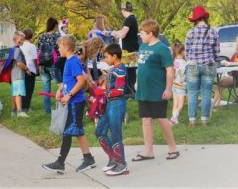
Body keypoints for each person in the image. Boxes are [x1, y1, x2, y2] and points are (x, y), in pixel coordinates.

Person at [42, 35, 96, 174]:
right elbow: (70, 81)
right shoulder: (69, 61)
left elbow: (81, 80)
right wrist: (61, 90)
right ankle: (88, 158)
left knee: (69, 132)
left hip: (75, 102)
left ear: (66, 47)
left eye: (59, 47)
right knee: (77, 131)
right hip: (73, 102)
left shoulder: (73, 62)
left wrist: (70, 95)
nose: (58, 49)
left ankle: (60, 163)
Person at [132, 19, 179, 162]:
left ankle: (173, 148)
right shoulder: (143, 47)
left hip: (157, 90)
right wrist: (136, 82)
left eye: (142, 33)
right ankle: (148, 151)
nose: (140, 36)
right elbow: (140, 67)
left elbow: (170, 71)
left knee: (161, 118)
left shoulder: (162, 49)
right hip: (143, 90)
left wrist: (168, 89)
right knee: (146, 119)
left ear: (150, 33)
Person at [94, 43, 128, 176]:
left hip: (117, 104)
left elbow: (119, 90)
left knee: (115, 133)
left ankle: (122, 164)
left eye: (106, 57)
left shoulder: (120, 69)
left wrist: (103, 93)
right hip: (109, 104)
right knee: (100, 131)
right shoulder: (113, 69)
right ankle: (114, 159)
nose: (105, 59)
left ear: (114, 56)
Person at [184, 5, 219, 127]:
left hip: (193, 66)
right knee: (206, 93)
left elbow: (187, 53)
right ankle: (204, 120)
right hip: (208, 65)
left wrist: (191, 60)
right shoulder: (213, 32)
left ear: (195, 20)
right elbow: (216, 51)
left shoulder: (190, 33)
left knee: (192, 93)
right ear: (205, 18)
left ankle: (192, 120)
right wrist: (214, 61)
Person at [37, 17, 62, 115]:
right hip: (53, 64)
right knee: (61, 86)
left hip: (43, 65)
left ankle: (48, 111)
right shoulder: (57, 36)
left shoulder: (41, 36)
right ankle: (61, 107)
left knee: (46, 88)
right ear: (55, 26)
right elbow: (59, 50)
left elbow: (38, 50)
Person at [10, 31, 28, 117]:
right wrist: (26, 69)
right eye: (21, 39)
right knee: (18, 93)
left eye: (23, 40)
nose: (22, 41)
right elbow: (19, 63)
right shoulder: (17, 50)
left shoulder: (14, 49)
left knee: (14, 93)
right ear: (16, 40)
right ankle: (19, 111)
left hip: (14, 74)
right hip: (18, 74)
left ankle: (13, 111)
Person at [20, 28, 38, 114]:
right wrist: (37, 69)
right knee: (29, 89)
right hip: (30, 69)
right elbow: (35, 59)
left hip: (22, 69)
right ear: (31, 36)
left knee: (22, 88)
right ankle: (26, 107)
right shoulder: (32, 46)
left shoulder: (21, 46)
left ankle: (21, 105)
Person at [170, 43, 187, 125]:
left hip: (174, 84)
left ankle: (174, 119)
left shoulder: (174, 61)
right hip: (181, 85)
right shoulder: (184, 63)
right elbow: (185, 75)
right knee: (181, 103)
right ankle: (174, 117)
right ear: (182, 51)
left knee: (175, 103)